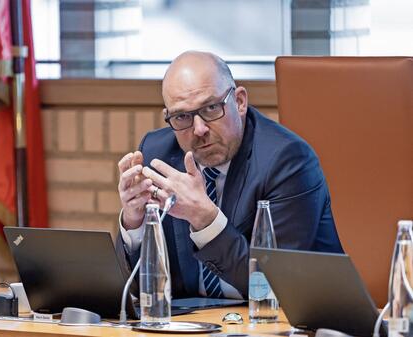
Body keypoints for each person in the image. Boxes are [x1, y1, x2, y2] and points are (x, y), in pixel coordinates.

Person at [115, 51, 343, 299]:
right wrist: (134, 223)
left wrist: (205, 219)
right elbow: (139, 291)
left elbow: (275, 287)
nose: (199, 129)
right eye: (182, 116)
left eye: (211, 108)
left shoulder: (287, 160)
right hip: (195, 324)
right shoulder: (157, 153)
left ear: (240, 101)